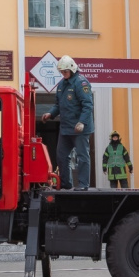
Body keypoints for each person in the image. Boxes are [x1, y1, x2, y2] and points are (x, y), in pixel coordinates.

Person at [41, 55, 94, 190]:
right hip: (65, 128)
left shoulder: (81, 83)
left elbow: (87, 105)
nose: (63, 74)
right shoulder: (62, 85)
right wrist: (51, 114)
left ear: (72, 69)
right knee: (61, 156)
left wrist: (81, 122)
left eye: (65, 72)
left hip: (79, 129)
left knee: (82, 156)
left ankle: (83, 185)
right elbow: (58, 104)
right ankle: (65, 183)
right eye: (61, 72)